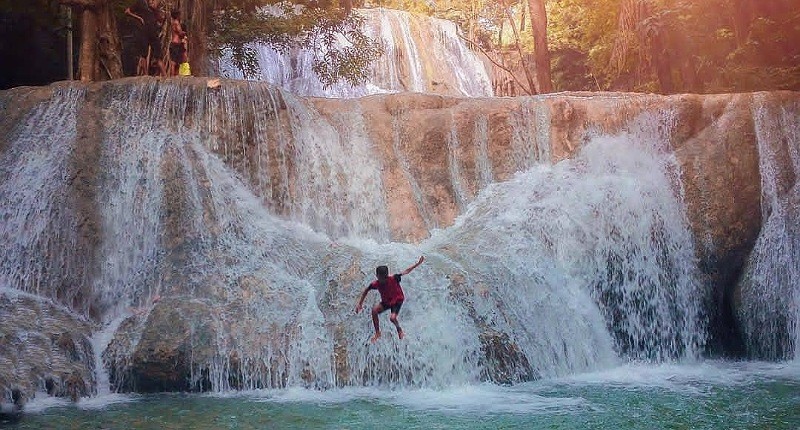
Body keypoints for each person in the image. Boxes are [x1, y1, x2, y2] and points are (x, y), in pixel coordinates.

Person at [355, 256, 424, 343]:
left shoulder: (394, 278)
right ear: (377, 276)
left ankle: (399, 330)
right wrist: (360, 304)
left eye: (384, 278)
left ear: (387, 276)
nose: (382, 280)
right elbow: (366, 290)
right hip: (387, 302)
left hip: (397, 300)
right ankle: (377, 333)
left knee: (392, 318)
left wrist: (417, 264)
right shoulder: (375, 284)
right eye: (380, 278)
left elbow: (406, 271)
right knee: (374, 310)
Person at [125, 0, 165, 76]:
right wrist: (139, 18)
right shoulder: (139, 2)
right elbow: (127, 11)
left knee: (158, 54)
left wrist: (159, 18)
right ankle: (146, 75)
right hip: (143, 32)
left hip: (153, 32)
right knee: (144, 54)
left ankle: (165, 75)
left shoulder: (152, 4)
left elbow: (159, 17)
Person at [169, 9, 187, 76]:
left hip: (175, 44)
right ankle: (172, 77)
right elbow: (180, 33)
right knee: (174, 62)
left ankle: (175, 76)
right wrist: (184, 33)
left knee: (177, 62)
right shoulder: (176, 22)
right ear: (177, 15)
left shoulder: (172, 22)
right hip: (176, 44)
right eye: (179, 15)